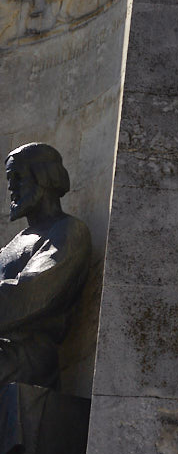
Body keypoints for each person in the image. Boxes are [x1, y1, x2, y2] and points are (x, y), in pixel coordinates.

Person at [0, 143, 91, 389]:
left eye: (18, 177)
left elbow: (30, 291)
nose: (11, 187)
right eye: (9, 179)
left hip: (28, 357)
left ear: (44, 177)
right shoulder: (11, 246)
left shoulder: (68, 230)